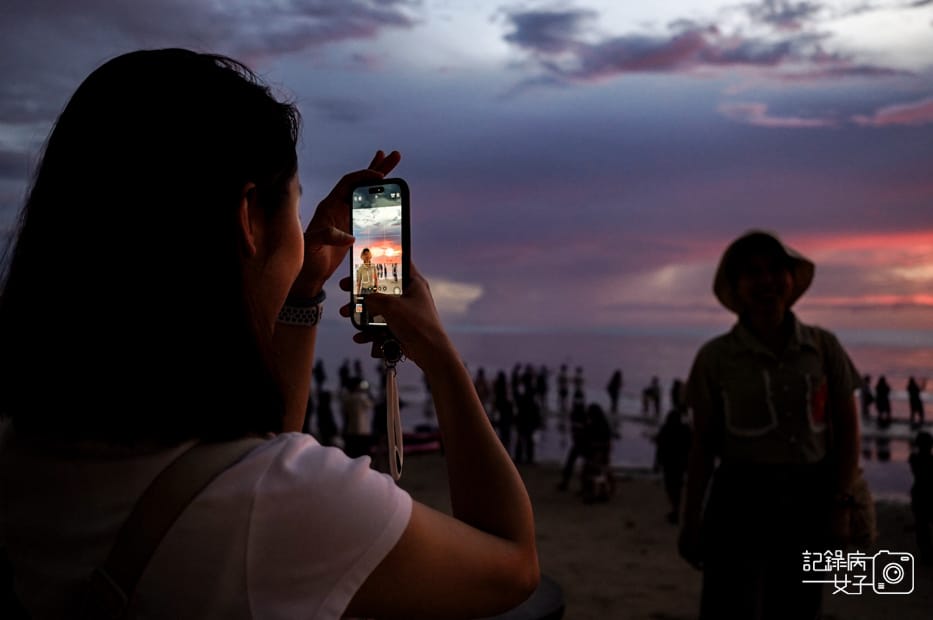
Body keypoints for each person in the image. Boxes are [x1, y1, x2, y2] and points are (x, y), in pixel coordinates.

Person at [0, 48, 537, 619]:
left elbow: (248, 454)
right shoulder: (284, 505)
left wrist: (305, 290)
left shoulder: (20, 447)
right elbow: (513, 565)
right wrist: (443, 360)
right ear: (248, 215)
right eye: (294, 204)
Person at [678, 230, 861, 620]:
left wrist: (841, 505)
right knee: (730, 607)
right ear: (737, 287)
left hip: (809, 500)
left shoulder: (823, 347)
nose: (766, 281)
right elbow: (703, 446)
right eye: (753, 273)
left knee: (799, 608)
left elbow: (847, 432)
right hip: (738, 501)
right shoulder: (715, 358)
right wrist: (690, 519)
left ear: (791, 280)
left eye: (776, 270)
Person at [654, 409, 692, 524]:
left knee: (670, 487)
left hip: (669, 462)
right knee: (678, 487)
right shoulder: (685, 430)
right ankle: (677, 510)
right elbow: (691, 447)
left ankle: (676, 510)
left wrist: (656, 463)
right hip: (680, 463)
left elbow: (660, 448)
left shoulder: (666, 429)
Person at [909, 431, 933, 563]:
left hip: (919, 495)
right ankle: (926, 554)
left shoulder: (914, 459)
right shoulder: (917, 460)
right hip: (926, 495)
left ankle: (926, 554)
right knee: (922, 527)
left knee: (922, 527)